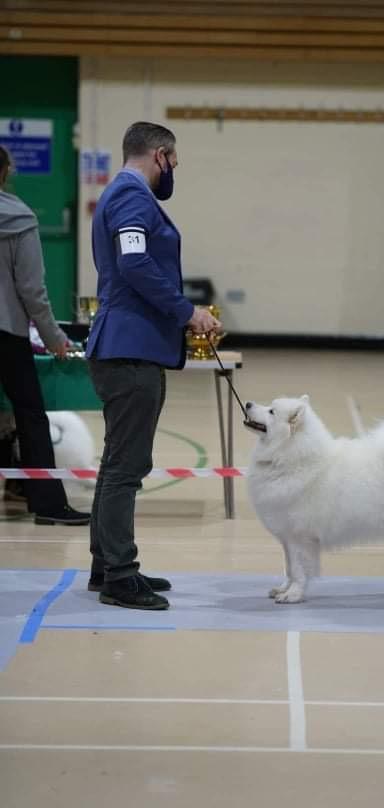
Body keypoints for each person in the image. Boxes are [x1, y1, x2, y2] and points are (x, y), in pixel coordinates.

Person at [86, 121, 220, 610]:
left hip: (126, 346)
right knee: (126, 468)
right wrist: (189, 311)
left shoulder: (121, 195)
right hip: (130, 351)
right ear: (159, 154)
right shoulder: (133, 198)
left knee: (115, 465)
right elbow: (135, 265)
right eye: (174, 162)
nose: (174, 172)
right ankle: (121, 576)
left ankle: (106, 564)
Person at [0, 145, 90, 525]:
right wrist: (55, 339)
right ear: (5, 172)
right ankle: (47, 504)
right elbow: (33, 293)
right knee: (31, 416)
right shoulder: (19, 218)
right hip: (6, 334)